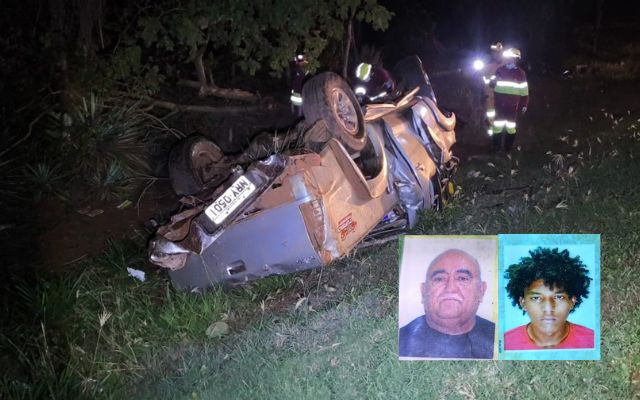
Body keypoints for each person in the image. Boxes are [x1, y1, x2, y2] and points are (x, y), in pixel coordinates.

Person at [399, 249, 495, 359]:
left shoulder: (499, 339)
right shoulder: (401, 341)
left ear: (481, 291)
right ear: (423, 291)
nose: (450, 288)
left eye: (462, 278)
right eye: (439, 279)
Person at [504, 247, 594, 350]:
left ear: (572, 301)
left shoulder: (592, 342)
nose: (548, 308)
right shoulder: (505, 344)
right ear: (523, 303)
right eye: (536, 298)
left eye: (559, 297)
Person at [491, 47, 529, 152]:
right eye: (507, 57)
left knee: (511, 127)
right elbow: (491, 84)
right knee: (497, 126)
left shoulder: (521, 74)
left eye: (511, 58)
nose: (508, 59)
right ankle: (495, 148)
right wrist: (494, 81)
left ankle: (507, 149)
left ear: (515, 59)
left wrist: (524, 105)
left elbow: (524, 91)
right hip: (499, 104)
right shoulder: (500, 70)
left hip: (512, 106)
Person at [482, 42, 505, 137]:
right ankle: (493, 139)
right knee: (491, 117)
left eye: (498, 52)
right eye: (494, 52)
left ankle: (502, 138)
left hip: (503, 97)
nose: (496, 54)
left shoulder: (507, 65)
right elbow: (480, 79)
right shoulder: (488, 66)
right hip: (490, 97)